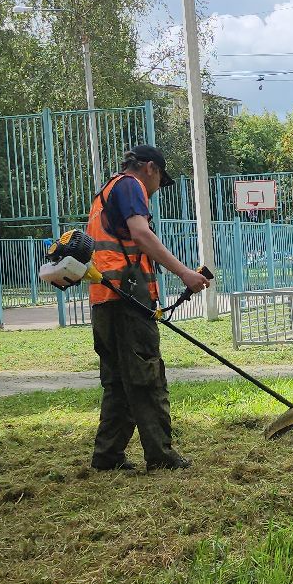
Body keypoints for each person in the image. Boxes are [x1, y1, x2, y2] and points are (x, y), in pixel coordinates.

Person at [85, 144, 210, 472]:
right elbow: (141, 234)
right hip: (127, 301)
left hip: (104, 301)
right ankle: (161, 456)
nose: (156, 189)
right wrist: (184, 273)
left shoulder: (104, 193)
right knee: (146, 379)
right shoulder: (131, 185)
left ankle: (107, 456)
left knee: (118, 384)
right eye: (160, 180)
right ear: (150, 168)